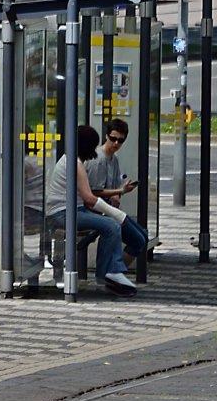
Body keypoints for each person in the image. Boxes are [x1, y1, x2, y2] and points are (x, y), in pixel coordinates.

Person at [44, 125, 137, 296]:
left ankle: (109, 271)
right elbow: (89, 197)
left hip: (69, 211)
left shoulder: (71, 160)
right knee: (111, 225)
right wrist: (115, 213)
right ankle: (109, 272)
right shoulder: (75, 164)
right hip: (63, 214)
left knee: (110, 224)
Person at [84, 119, 149, 267]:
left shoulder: (114, 159)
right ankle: (114, 271)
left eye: (120, 140)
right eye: (113, 139)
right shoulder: (98, 159)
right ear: (106, 136)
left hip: (106, 208)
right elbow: (94, 192)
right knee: (137, 239)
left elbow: (109, 188)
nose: (116, 143)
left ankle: (116, 269)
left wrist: (117, 193)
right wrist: (120, 191)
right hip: (97, 209)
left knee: (142, 237)